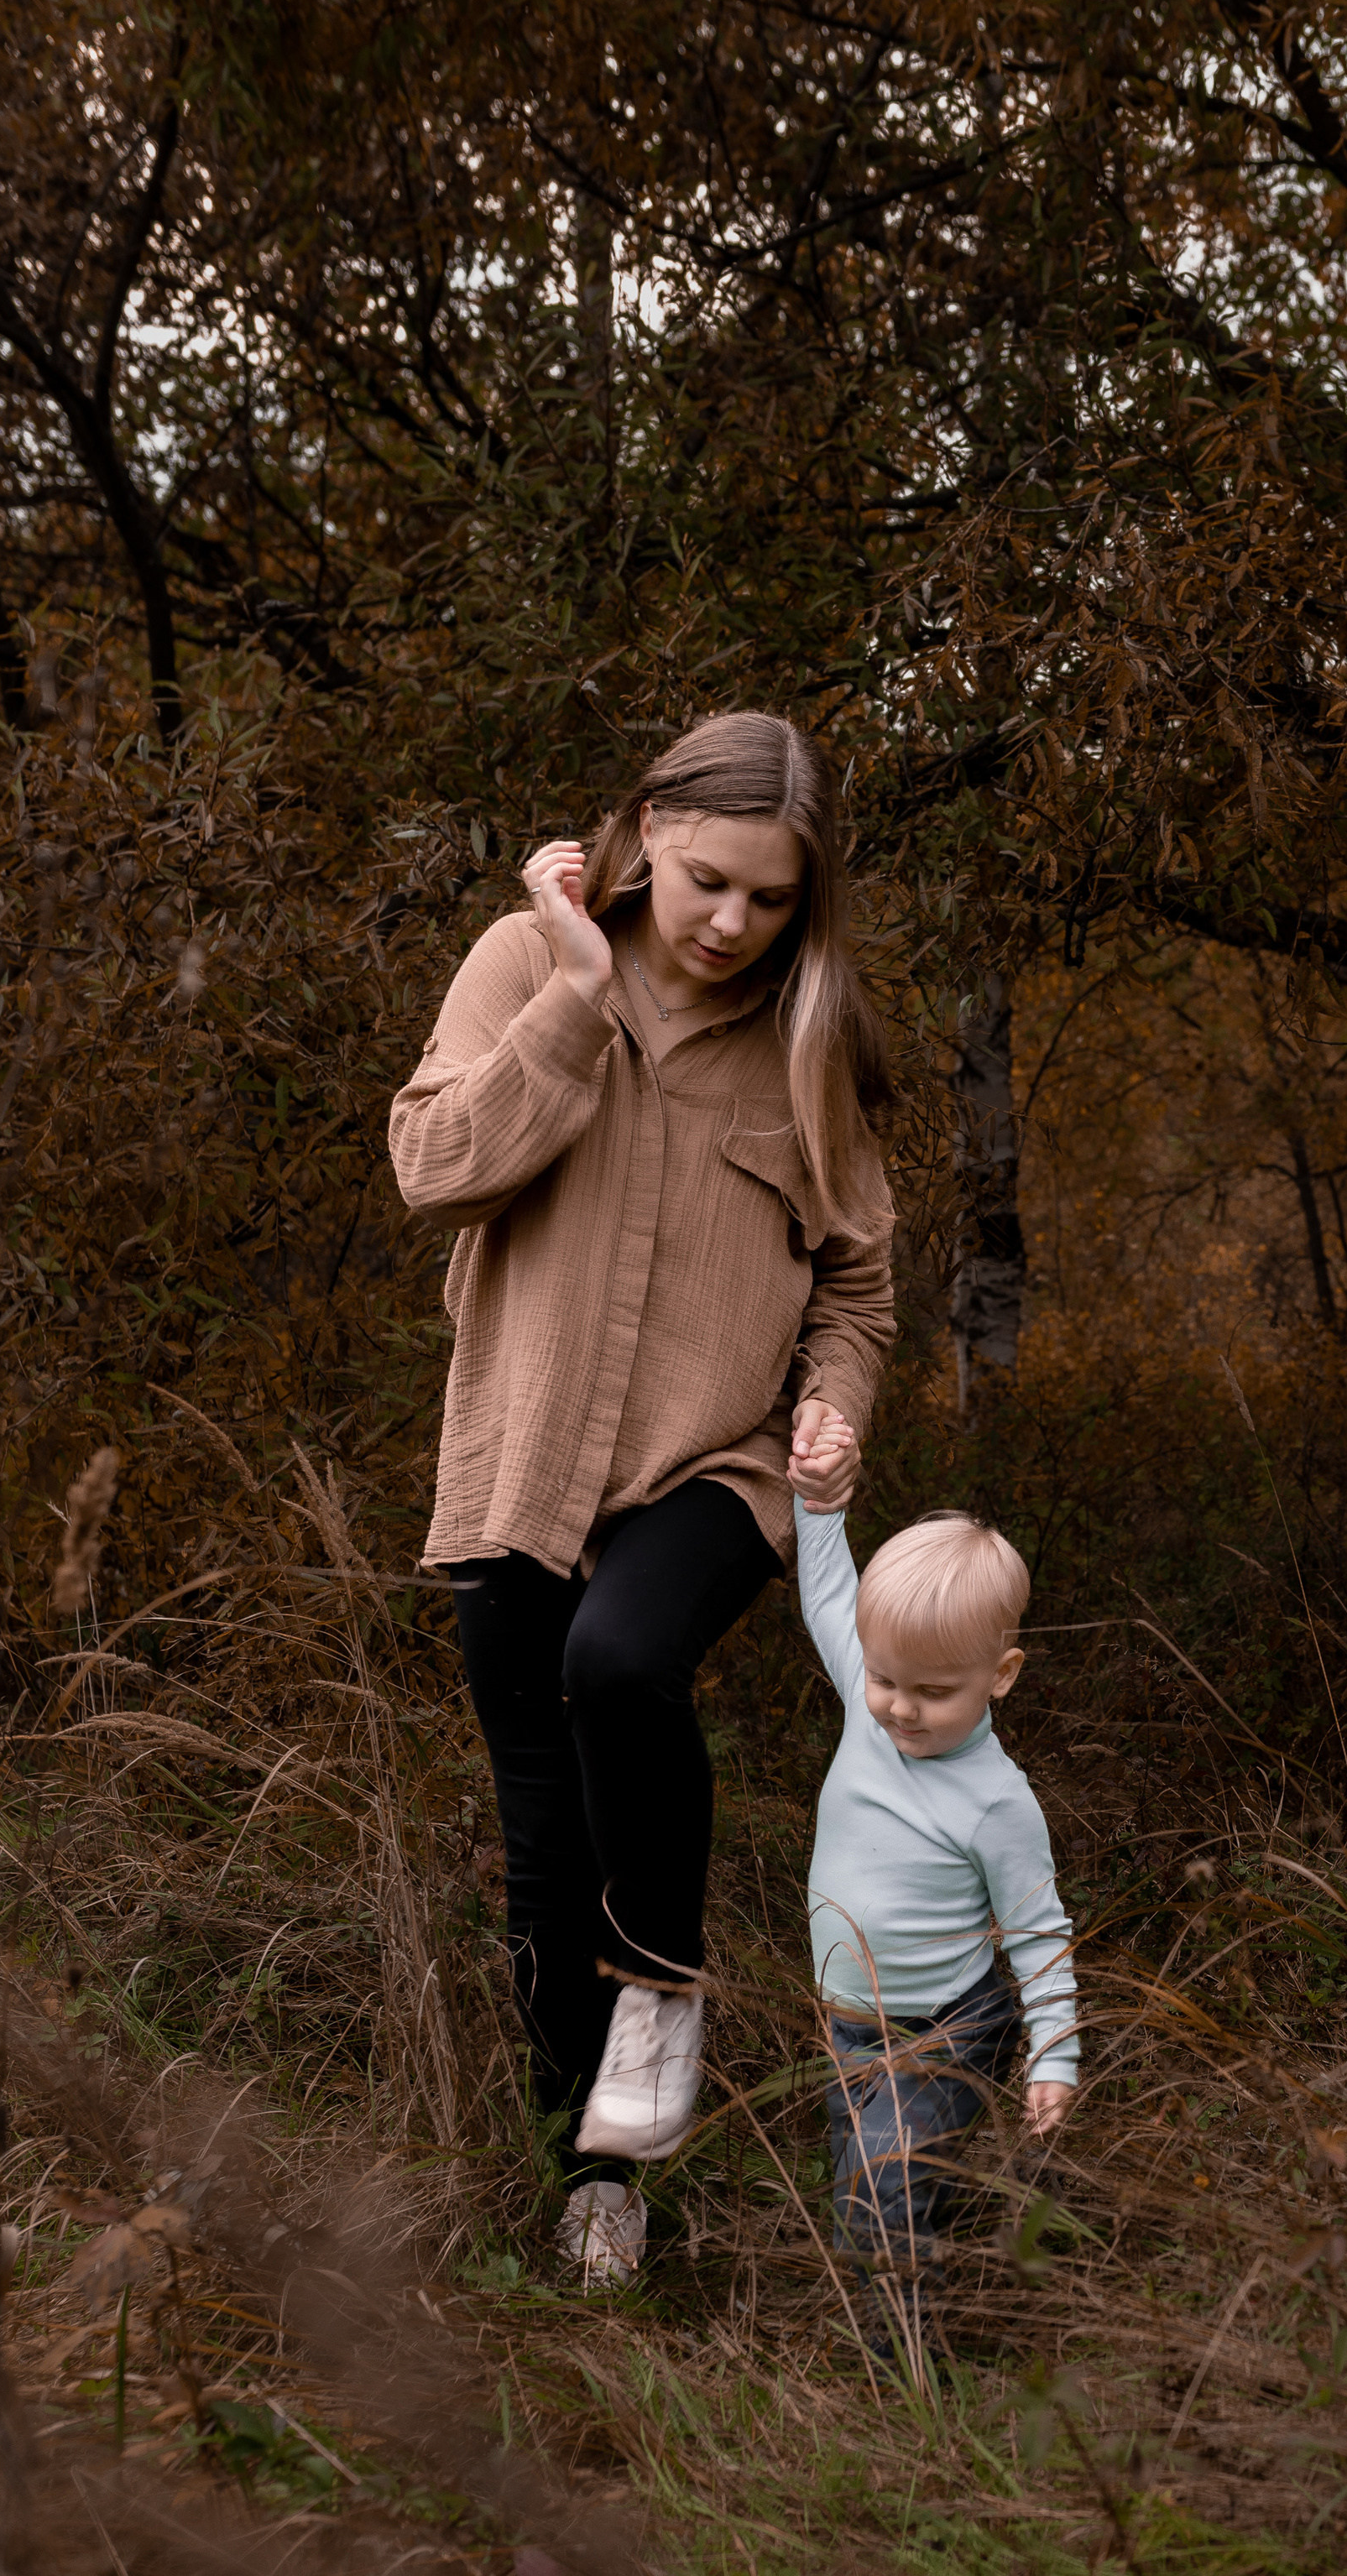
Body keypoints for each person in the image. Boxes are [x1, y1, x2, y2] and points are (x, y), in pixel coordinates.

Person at [389, 711, 895, 2288]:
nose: (734, 923)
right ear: (640, 831)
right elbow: (434, 1170)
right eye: (705, 882)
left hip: (711, 1469)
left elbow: (857, 1287)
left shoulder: (812, 1040)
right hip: (519, 1469)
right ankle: (595, 2176)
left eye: (771, 900)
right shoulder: (517, 966)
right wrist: (579, 1001)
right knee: (546, 1848)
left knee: (622, 1661)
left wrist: (834, 1406)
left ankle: (665, 1994)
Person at [786, 1416, 1078, 2365]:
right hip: (848, 2023)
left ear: (1000, 1676)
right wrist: (819, 1500)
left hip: (947, 2022)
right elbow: (827, 1586)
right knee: (864, 2187)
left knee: (882, 2188)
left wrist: (1054, 2056)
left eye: (933, 1691)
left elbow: (1038, 1931)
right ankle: (919, 2256)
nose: (901, 1708)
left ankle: (902, 2368)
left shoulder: (996, 1800)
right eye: (884, 1679)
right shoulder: (871, 1705)